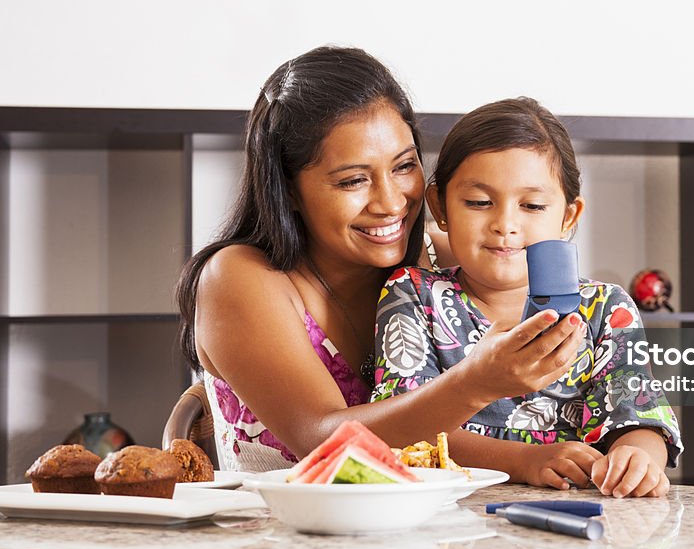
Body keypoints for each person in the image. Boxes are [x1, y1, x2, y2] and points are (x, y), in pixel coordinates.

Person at [176, 47, 583, 472]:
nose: (391, 203)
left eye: (404, 166)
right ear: (288, 188)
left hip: (436, 532)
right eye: (354, 180)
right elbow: (322, 442)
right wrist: (475, 384)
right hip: (286, 534)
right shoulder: (240, 277)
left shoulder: (440, 261)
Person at [371, 97, 682, 497]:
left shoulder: (607, 308)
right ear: (440, 206)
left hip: (573, 532)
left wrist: (637, 457)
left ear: (568, 217)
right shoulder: (413, 295)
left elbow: (637, 415)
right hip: (449, 528)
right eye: (479, 202)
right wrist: (523, 461)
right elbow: (404, 428)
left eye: (532, 205)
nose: (505, 224)